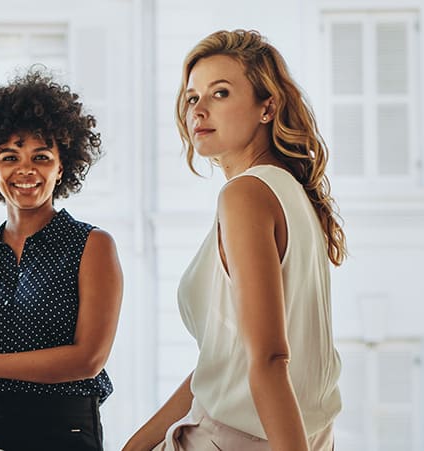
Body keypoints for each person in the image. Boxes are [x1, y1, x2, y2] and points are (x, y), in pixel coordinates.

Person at [122, 29, 345, 451]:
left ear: (268, 107)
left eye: (220, 93)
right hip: (307, 436)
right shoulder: (292, 194)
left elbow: (269, 359)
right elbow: (229, 363)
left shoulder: (245, 195)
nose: (199, 110)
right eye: (192, 98)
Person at [0, 70, 124, 451]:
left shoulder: (92, 245)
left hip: (64, 433)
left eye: (41, 157)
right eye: (9, 157)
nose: (26, 170)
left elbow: (88, 359)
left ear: (61, 166)